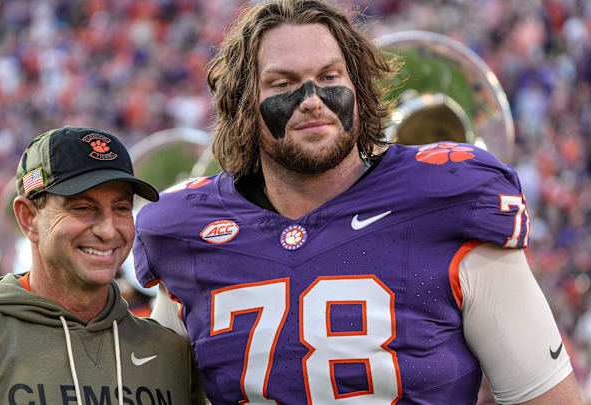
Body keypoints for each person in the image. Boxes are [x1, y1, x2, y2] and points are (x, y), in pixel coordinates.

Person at [132, 1, 582, 404]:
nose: (312, 100)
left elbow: (546, 398)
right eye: (283, 82)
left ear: (359, 90)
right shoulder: (187, 234)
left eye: (329, 77)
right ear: (243, 104)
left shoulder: (451, 199)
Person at [0, 126, 206, 404]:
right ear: (28, 217)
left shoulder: (170, 352)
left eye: (120, 208)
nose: (108, 230)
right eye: (83, 208)